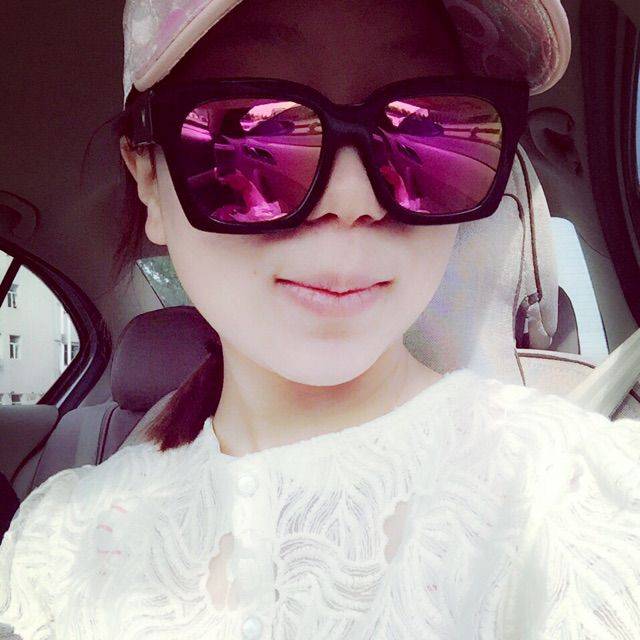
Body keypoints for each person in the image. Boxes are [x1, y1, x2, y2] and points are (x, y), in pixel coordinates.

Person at [1, 0, 639, 637]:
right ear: (149, 180)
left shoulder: (576, 496)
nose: (351, 197)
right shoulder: (57, 549)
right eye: (255, 138)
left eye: (423, 133)